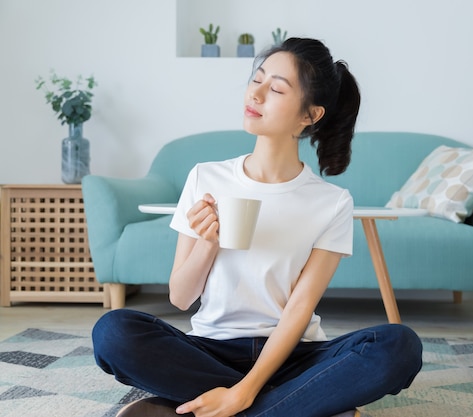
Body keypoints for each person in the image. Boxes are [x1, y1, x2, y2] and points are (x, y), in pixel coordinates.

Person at [92, 37, 422, 417]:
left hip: (293, 354)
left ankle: (217, 403)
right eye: (257, 79)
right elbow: (180, 298)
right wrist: (207, 243)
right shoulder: (204, 177)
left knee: (398, 346)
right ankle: (297, 405)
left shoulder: (331, 201)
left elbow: (299, 309)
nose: (257, 93)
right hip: (210, 348)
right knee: (113, 332)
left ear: (310, 116)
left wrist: (245, 390)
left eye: (277, 88)